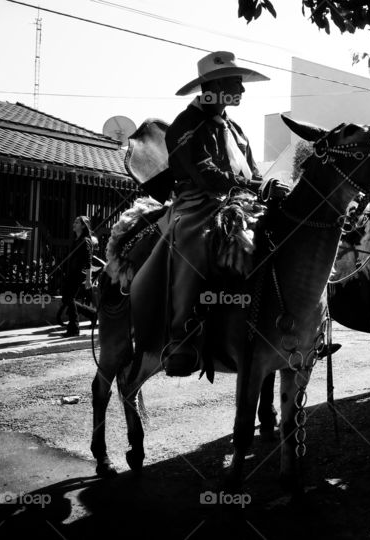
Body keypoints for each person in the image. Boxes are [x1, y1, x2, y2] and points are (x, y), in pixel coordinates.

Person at [141, 50, 278, 377]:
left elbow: (253, 173)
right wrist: (254, 189)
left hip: (240, 201)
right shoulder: (186, 126)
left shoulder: (238, 130)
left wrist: (268, 187)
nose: (242, 90)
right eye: (236, 82)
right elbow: (206, 176)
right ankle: (181, 335)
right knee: (195, 240)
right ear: (214, 85)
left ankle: (282, 323)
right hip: (198, 204)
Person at [60, 216, 95, 337]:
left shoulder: (85, 241)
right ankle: (91, 314)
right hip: (71, 273)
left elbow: (89, 261)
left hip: (79, 274)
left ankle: (74, 328)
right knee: (67, 298)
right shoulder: (76, 240)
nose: (73, 224)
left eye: (77, 222)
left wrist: (88, 279)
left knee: (69, 298)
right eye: (74, 221)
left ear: (83, 226)